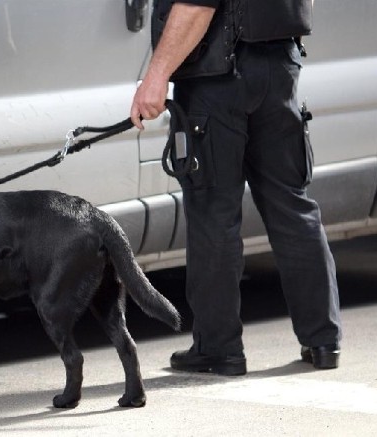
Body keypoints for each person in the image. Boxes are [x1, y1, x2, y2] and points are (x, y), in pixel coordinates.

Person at [130, 0, 342, 375]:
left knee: (214, 214)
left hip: (215, 77)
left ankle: (218, 348)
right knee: (292, 206)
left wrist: (156, 76)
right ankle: (323, 340)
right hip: (278, 67)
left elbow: (197, 4)